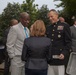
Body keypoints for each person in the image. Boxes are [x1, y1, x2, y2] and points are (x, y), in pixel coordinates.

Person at [46, 9, 72, 75]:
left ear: (57, 15)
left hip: (60, 60)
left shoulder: (64, 26)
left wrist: (64, 53)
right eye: (49, 17)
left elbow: (68, 42)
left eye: (52, 16)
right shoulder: (48, 28)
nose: (50, 18)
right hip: (51, 60)